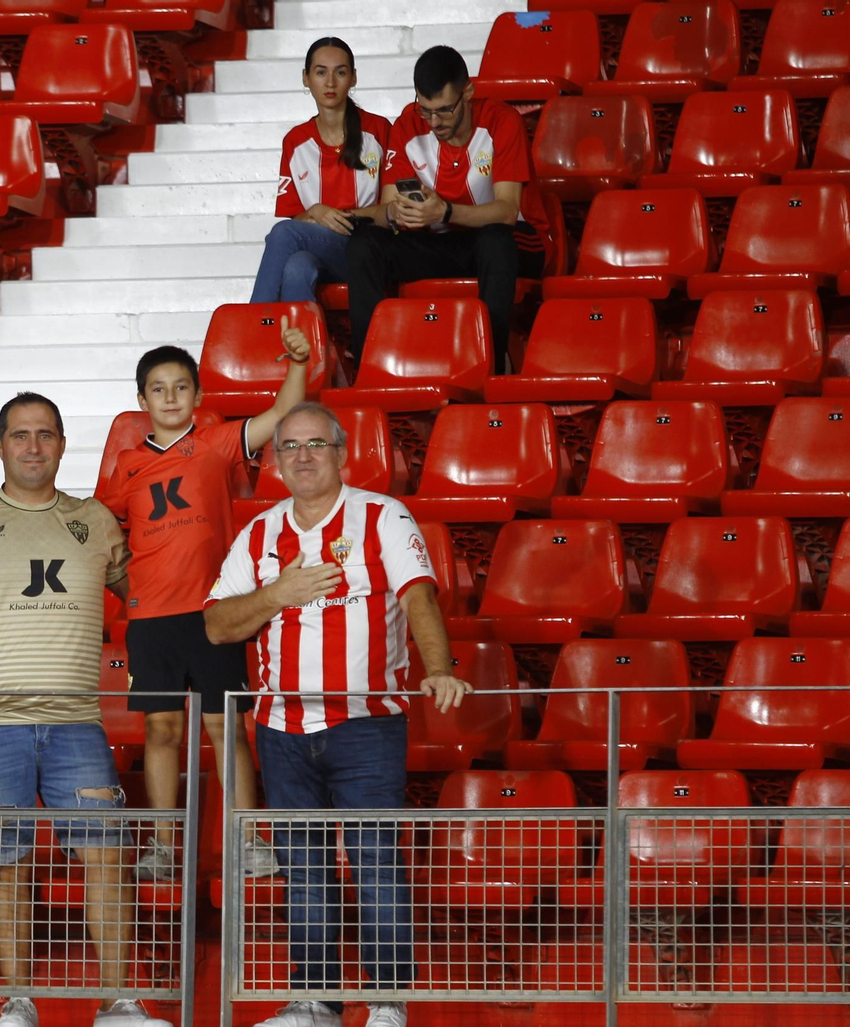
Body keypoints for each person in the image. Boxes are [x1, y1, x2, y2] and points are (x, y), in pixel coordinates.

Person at [0, 393, 174, 1027]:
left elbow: (147, 595)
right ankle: (17, 1002)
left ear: (61, 444)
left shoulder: (95, 522)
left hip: (78, 722)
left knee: (105, 855)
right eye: (19, 435)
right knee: (7, 860)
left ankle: (118, 1004)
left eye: (44, 434)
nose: (32, 446)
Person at [202, 402, 472, 1027]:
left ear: (342, 453)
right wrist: (277, 595)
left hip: (365, 724)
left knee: (377, 861)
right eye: (289, 446)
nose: (301, 456)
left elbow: (419, 597)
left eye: (315, 444)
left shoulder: (382, 516)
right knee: (305, 868)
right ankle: (316, 1005)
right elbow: (216, 625)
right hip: (282, 728)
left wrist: (439, 666)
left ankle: (386, 1002)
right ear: (275, 462)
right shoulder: (260, 534)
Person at [96, 329, 313, 883]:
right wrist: (125, 585)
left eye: (181, 387)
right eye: (158, 389)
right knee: (162, 730)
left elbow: (285, 411)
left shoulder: (217, 442)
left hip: (216, 614)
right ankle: (163, 847)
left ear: (196, 396)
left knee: (226, 728)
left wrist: (297, 363)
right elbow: (103, 534)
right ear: (142, 401)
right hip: (151, 620)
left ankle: (247, 840)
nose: (170, 398)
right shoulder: (125, 465)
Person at [345, 45, 550, 372]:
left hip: (507, 239)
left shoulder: (501, 121)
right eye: (425, 110)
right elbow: (387, 204)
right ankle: (370, 372)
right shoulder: (408, 126)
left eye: (444, 110)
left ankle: (491, 370)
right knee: (364, 245)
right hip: (438, 240)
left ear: (467, 92)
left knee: (496, 241)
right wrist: (399, 214)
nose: (434, 122)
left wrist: (446, 212)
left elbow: (508, 211)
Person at [250, 37, 394, 302]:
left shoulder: (378, 130)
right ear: (305, 78)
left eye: (340, 72)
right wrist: (315, 212)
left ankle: (254, 327)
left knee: (282, 232)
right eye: (320, 72)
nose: (330, 82)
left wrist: (338, 216)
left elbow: (392, 211)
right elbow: (297, 219)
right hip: (324, 254)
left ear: (353, 78)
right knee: (297, 268)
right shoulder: (295, 141)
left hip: (371, 251)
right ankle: (305, 344)